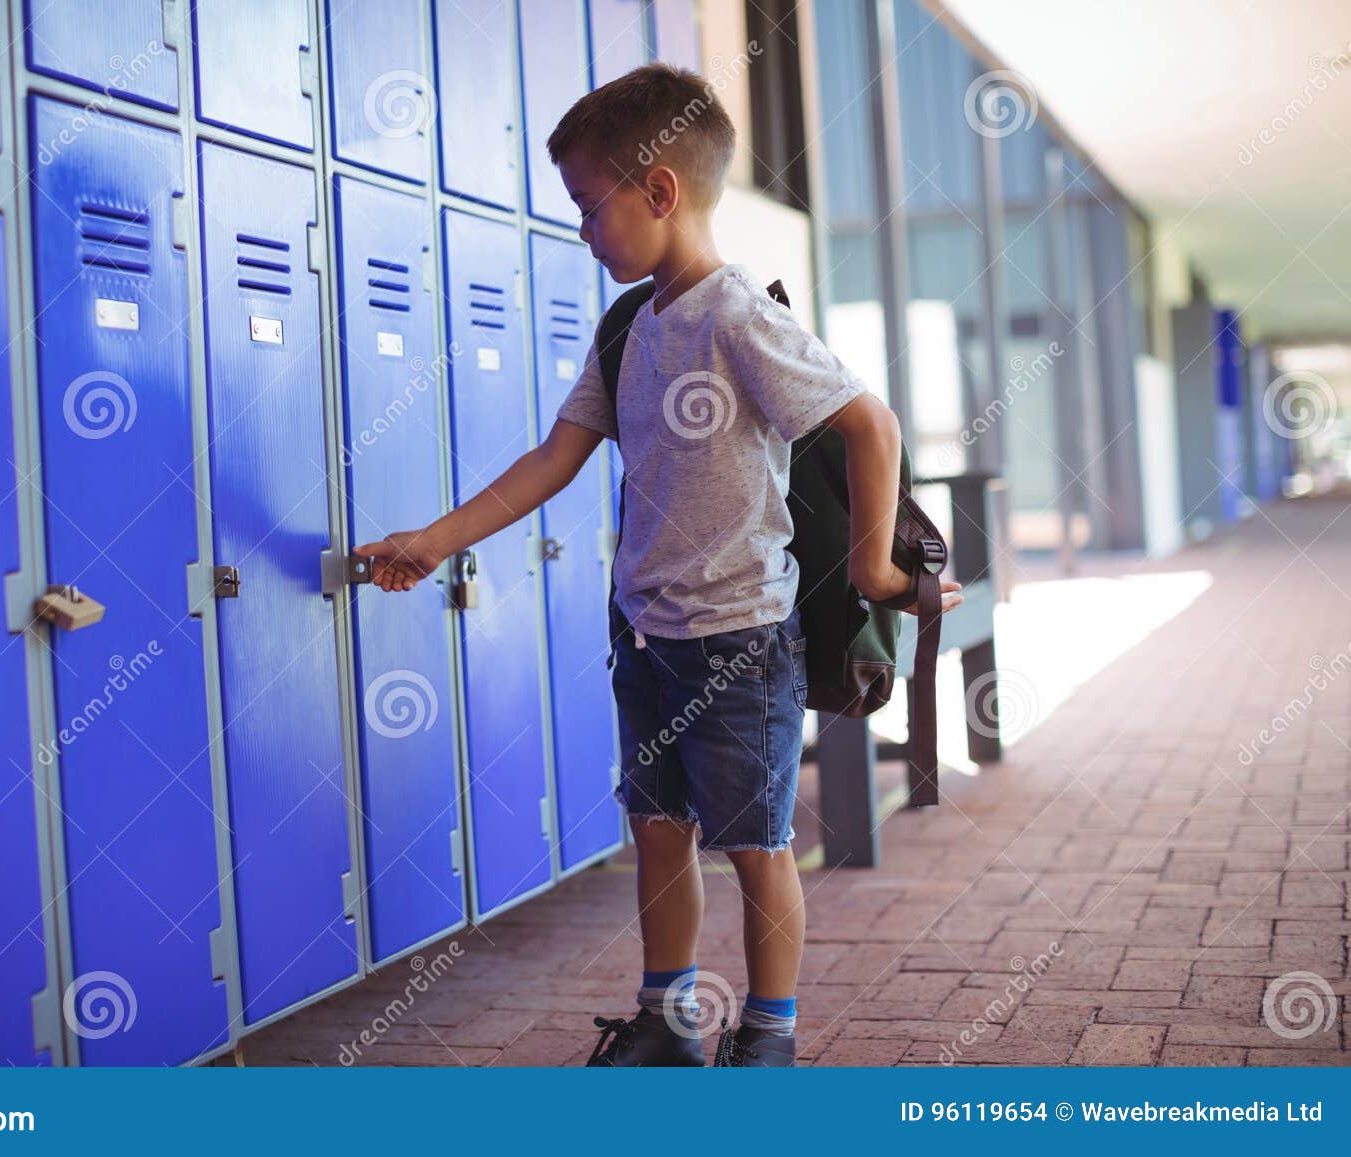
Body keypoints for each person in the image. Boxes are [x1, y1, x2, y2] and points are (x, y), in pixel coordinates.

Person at [353, 63, 962, 1067]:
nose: (584, 232)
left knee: (756, 845)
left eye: (591, 208)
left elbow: (870, 421)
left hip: (738, 642)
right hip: (644, 632)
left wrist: (871, 569)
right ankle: (669, 1019)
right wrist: (434, 539)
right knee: (659, 828)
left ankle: (768, 1035)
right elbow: (555, 456)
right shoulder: (629, 327)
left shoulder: (735, 318)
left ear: (660, 192)